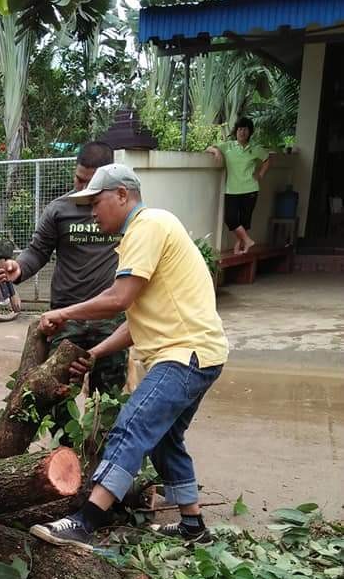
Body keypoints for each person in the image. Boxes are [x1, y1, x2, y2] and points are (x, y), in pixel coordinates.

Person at [29, 163, 229, 550]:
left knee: (132, 424)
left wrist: (62, 312)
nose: (92, 212)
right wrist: (94, 352)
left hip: (184, 354)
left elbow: (117, 300)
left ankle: (85, 521)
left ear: (122, 195)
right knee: (165, 440)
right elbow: (135, 321)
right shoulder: (147, 232)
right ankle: (193, 525)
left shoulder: (147, 226)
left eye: (96, 202)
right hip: (200, 353)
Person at [0, 140, 128, 396]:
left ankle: (100, 438)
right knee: (56, 397)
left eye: (92, 184)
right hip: (66, 317)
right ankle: (64, 439)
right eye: (79, 180)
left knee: (108, 402)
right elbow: (38, 251)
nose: (83, 188)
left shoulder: (123, 214)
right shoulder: (59, 210)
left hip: (109, 318)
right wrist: (19, 268)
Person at [207, 117, 271, 254]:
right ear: (236, 131)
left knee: (244, 221)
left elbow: (267, 159)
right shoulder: (228, 146)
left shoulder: (255, 149)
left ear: (250, 132)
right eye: (240, 129)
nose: (242, 132)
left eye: (245, 129)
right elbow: (209, 147)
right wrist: (217, 151)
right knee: (230, 219)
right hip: (232, 189)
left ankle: (241, 245)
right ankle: (248, 241)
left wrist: (260, 174)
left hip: (251, 189)